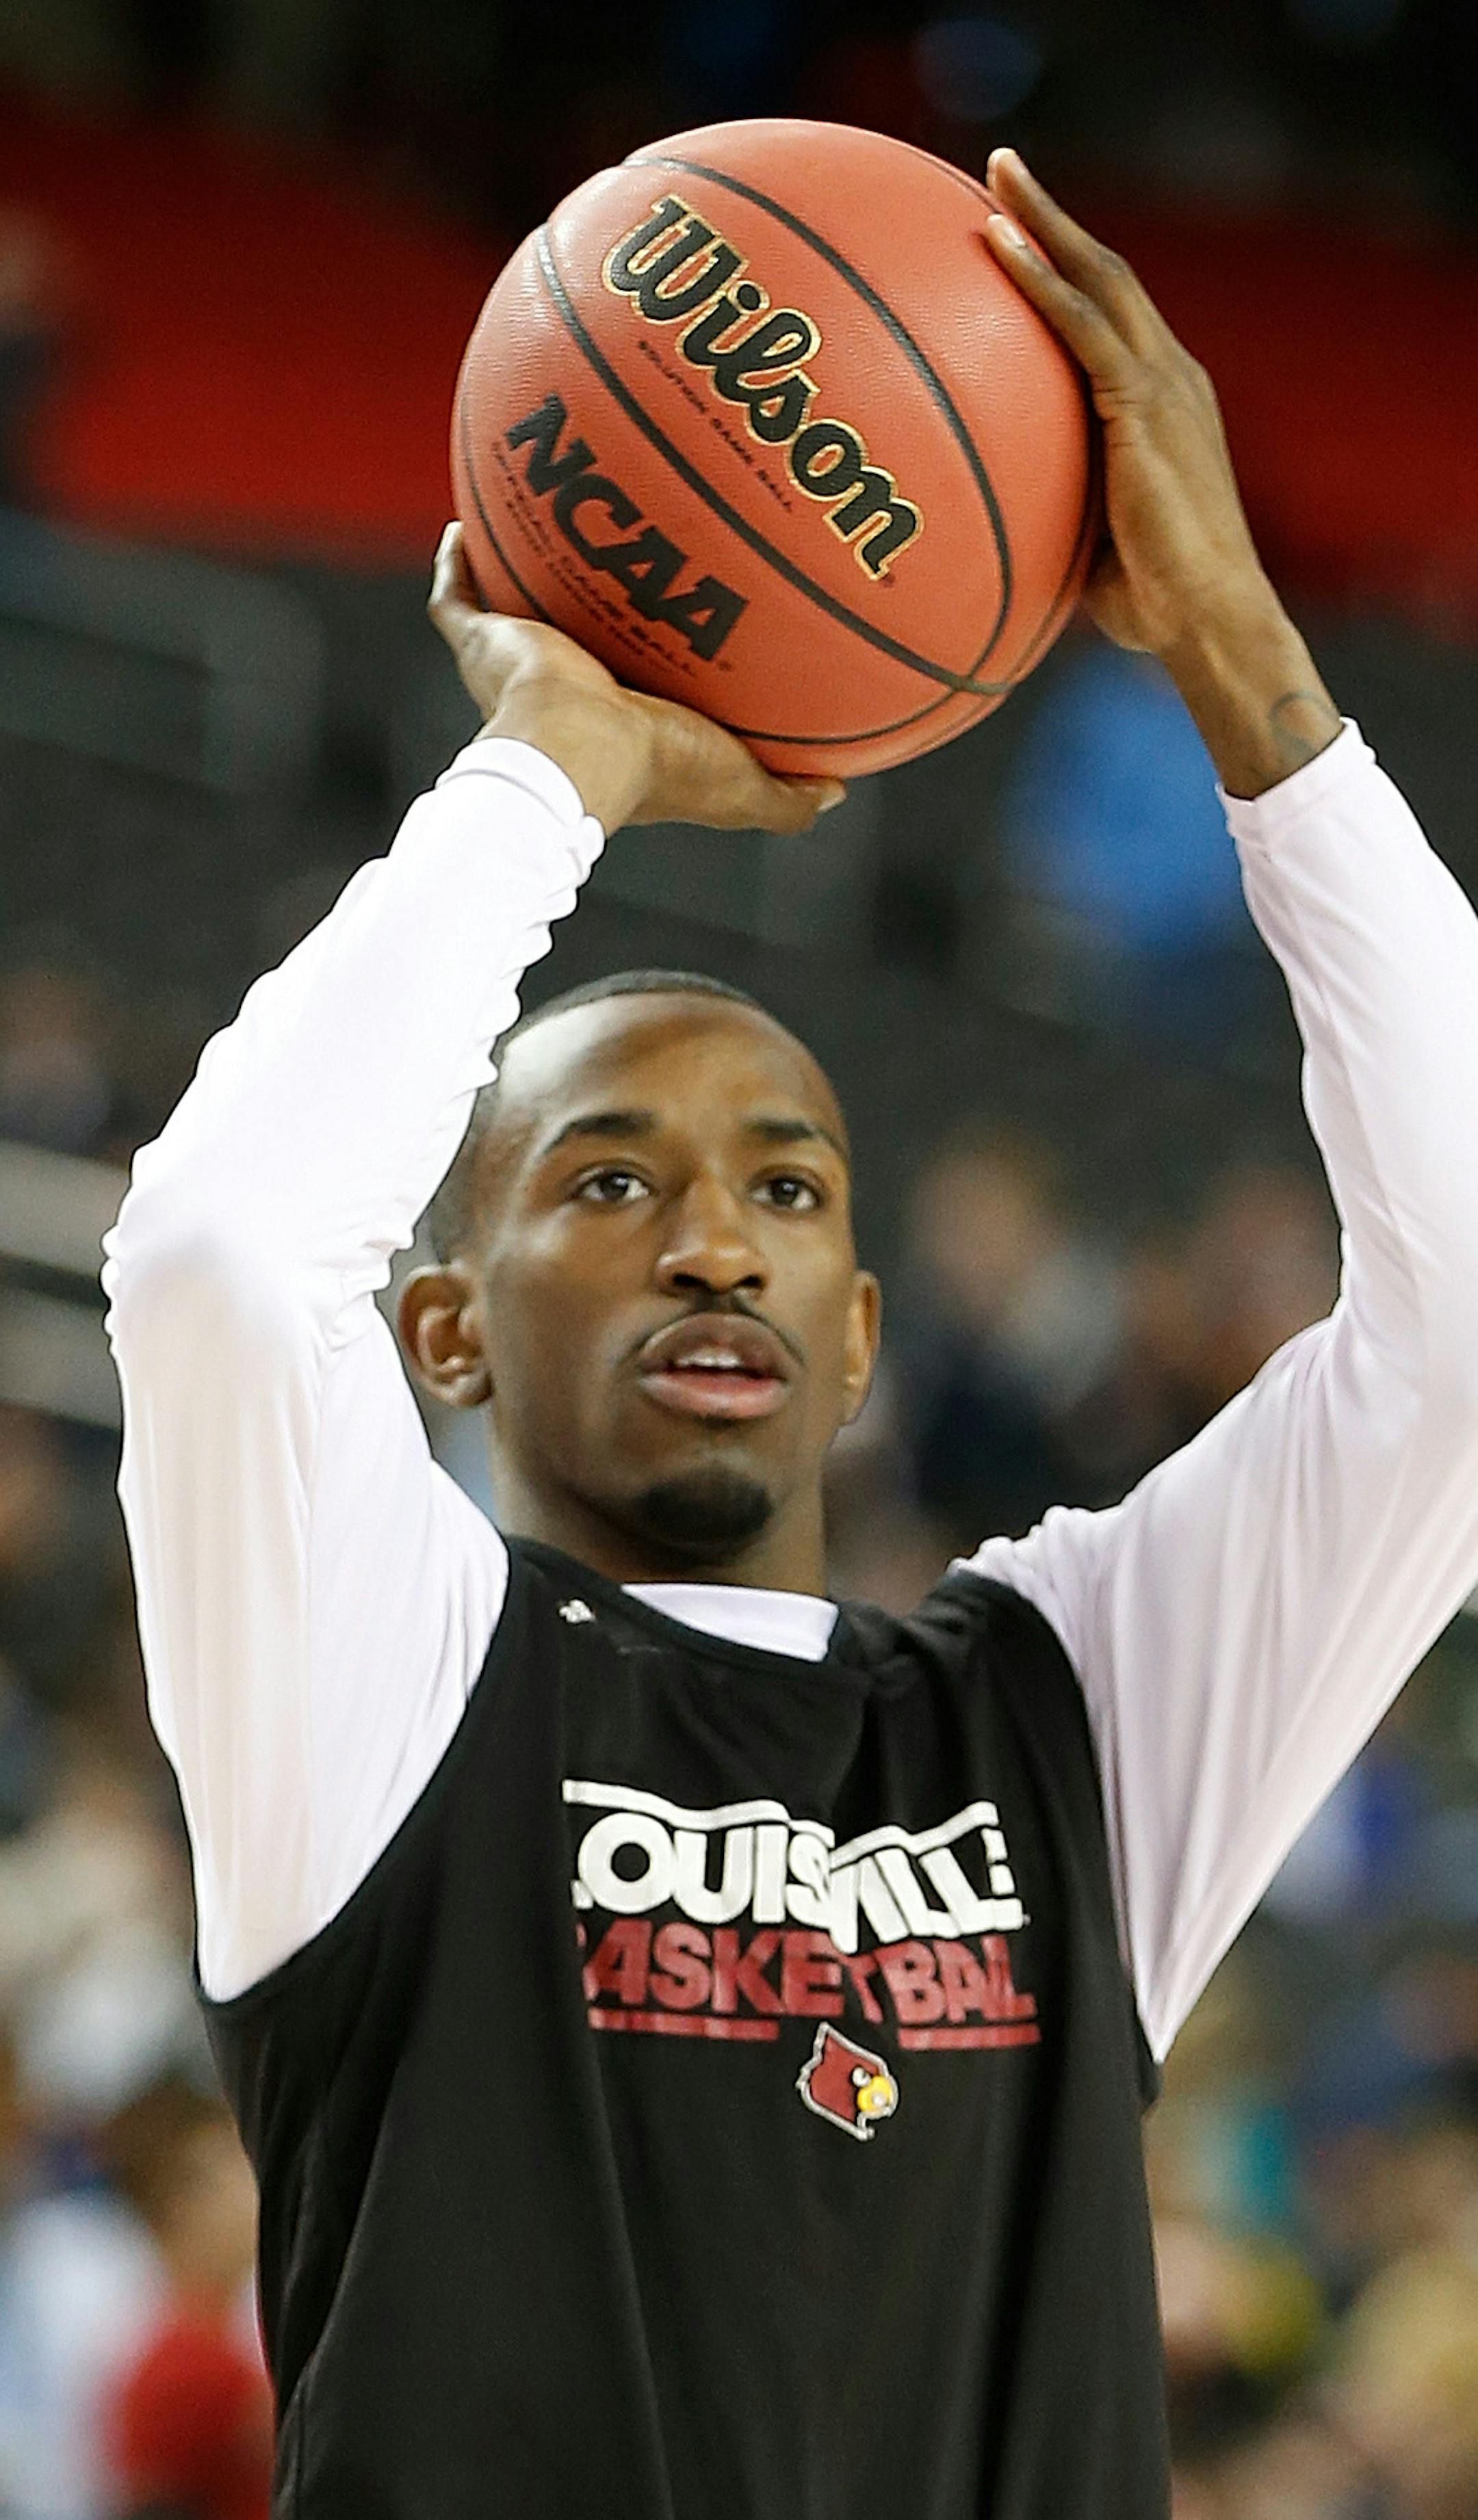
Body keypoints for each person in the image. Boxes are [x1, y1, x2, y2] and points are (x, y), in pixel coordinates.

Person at [101, 150, 1478, 2520]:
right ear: (441, 1322)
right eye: (607, 1181)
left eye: (787, 1188)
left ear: (861, 1337)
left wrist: (1249, 656)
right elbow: (222, 1253)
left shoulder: (1064, 1711)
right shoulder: (380, 1682)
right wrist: (555, 771)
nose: (715, 1240)